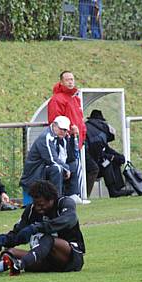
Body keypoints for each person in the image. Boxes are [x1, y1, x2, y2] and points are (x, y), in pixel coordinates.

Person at [0, 180, 85, 275]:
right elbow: (19, 234)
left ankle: (20, 264)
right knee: (9, 252)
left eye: (41, 205)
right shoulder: (31, 211)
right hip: (43, 259)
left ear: (51, 199)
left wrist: (38, 227)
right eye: (35, 204)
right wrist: (4, 240)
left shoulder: (64, 203)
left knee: (49, 239)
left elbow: (69, 219)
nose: (37, 208)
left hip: (69, 259)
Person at [48, 71, 88, 201]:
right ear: (61, 82)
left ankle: (74, 194)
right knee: (69, 165)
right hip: (66, 138)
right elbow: (55, 120)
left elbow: (79, 119)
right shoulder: (57, 99)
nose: (70, 82)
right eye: (67, 80)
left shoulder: (75, 98)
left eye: (72, 79)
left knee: (75, 165)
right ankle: (71, 194)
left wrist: (82, 133)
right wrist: (67, 133)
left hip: (76, 138)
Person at [19, 116, 76, 197]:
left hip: (44, 170)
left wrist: (67, 168)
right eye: (62, 129)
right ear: (54, 125)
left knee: (72, 165)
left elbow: (65, 158)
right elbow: (52, 159)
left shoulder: (62, 139)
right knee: (57, 168)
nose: (64, 132)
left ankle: (72, 195)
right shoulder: (46, 137)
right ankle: (56, 198)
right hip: (34, 174)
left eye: (65, 130)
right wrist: (66, 168)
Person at [84, 109, 132, 197]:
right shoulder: (100, 129)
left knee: (112, 161)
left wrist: (117, 156)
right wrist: (112, 157)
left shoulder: (93, 129)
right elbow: (99, 152)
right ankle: (113, 191)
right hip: (90, 165)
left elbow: (104, 148)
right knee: (106, 163)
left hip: (93, 162)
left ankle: (118, 189)